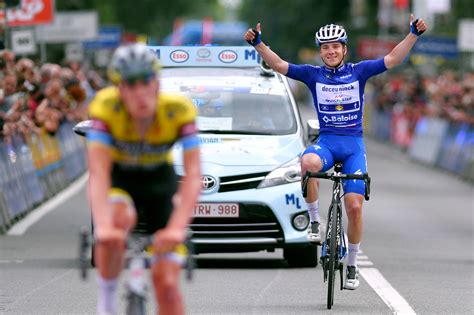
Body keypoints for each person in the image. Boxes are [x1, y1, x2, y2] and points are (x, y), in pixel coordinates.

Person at [244, 14, 427, 290]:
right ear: (321, 52)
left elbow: (392, 60)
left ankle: (352, 264)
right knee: (308, 162)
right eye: (325, 47)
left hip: (353, 146)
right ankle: (315, 222)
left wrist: (412, 34)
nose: (330, 51)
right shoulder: (313, 75)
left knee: (354, 207)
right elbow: (280, 65)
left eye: (335, 46)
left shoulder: (359, 72)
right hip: (328, 142)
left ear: (344, 49)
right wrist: (259, 44)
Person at [86, 43, 201, 315]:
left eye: (146, 81)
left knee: (168, 286)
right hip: (121, 180)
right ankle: (107, 301)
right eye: (130, 84)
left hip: (159, 184)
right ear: (119, 88)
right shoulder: (105, 107)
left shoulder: (179, 110)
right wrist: (102, 227)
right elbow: (98, 172)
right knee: (116, 220)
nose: (140, 92)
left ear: (157, 83)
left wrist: (176, 228)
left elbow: (194, 175)